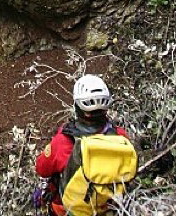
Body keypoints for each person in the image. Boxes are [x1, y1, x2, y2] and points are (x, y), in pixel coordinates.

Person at [34, 75, 130, 216]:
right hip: (111, 207)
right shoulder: (121, 137)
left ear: (77, 107)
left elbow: (41, 169)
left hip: (69, 210)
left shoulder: (63, 142)